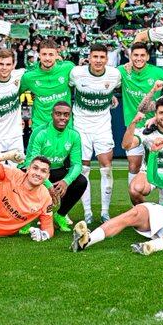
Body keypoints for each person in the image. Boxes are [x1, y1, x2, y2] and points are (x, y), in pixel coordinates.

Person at [68, 44, 121, 224]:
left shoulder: (115, 75)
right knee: (83, 170)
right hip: (81, 127)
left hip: (103, 127)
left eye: (102, 57)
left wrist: (111, 98)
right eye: (95, 57)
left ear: (107, 59)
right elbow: (66, 86)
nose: (98, 60)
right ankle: (88, 212)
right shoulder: (76, 73)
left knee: (106, 167)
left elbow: (120, 87)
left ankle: (105, 212)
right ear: (89, 58)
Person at [117, 42, 163, 194]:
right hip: (134, 126)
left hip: (156, 127)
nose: (139, 58)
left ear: (148, 57)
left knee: (162, 165)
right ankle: (135, 206)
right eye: (135, 55)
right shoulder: (122, 71)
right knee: (134, 166)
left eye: (142, 55)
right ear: (130, 57)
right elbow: (105, 79)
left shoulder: (157, 72)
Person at [21, 101, 87, 232]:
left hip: (56, 170)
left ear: (70, 116)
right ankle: (24, 219)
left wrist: (66, 181)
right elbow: (30, 162)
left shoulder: (74, 135)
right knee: (23, 178)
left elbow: (77, 164)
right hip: (35, 170)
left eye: (66, 115)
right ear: (52, 115)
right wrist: (47, 184)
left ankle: (60, 215)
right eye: (58, 114)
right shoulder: (40, 132)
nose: (62, 118)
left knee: (81, 181)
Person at [19, 39, 74, 133]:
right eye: (44, 54)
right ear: (39, 55)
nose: (47, 58)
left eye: (51, 54)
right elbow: (14, 95)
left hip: (65, 127)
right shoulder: (29, 76)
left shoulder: (68, 68)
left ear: (57, 55)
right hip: (40, 128)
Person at [0, 48, 25, 155]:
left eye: (8, 64)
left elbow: (40, 69)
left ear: (14, 65)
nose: (4, 68)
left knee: (15, 170)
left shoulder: (19, 74)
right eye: (1, 64)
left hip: (15, 135)